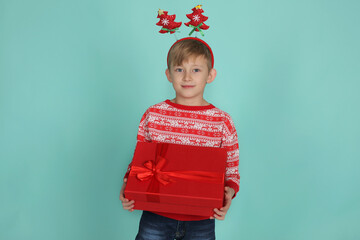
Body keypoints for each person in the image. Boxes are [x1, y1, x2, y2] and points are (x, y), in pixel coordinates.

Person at [119, 37, 240, 240]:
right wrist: (128, 185)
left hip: (202, 219)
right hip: (155, 215)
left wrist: (228, 192)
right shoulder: (154, 114)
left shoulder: (222, 121)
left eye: (196, 70)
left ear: (210, 75)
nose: (186, 77)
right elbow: (140, 162)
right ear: (168, 74)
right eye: (179, 69)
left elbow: (231, 168)